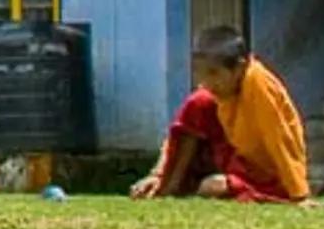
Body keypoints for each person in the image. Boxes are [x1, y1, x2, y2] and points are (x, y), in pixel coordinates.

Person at [131, 25, 308, 202]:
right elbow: (180, 132)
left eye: (213, 73)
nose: (207, 82)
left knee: (211, 186)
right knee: (198, 101)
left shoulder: (257, 84)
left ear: (239, 67)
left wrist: (299, 195)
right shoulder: (219, 90)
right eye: (199, 73)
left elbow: (279, 138)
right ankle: (167, 186)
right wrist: (159, 174)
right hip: (239, 160)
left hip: (269, 174)